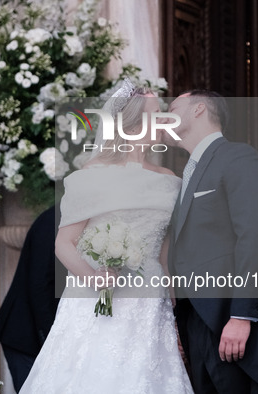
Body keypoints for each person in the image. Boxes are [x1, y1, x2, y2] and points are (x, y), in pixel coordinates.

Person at [20, 82, 193, 393]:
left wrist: (175, 312)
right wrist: (94, 276)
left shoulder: (171, 182)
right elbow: (63, 243)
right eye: (156, 115)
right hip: (96, 296)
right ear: (132, 124)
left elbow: (166, 255)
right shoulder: (93, 173)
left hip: (149, 302)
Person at [164, 90, 258, 393]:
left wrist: (241, 315)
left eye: (172, 107)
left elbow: (254, 238)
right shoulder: (188, 172)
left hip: (231, 316)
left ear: (198, 109)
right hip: (197, 318)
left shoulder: (238, 156)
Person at [0, 206, 64, 392]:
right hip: (26, 335)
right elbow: (39, 285)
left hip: (38, 333)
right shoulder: (53, 221)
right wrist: (51, 340)